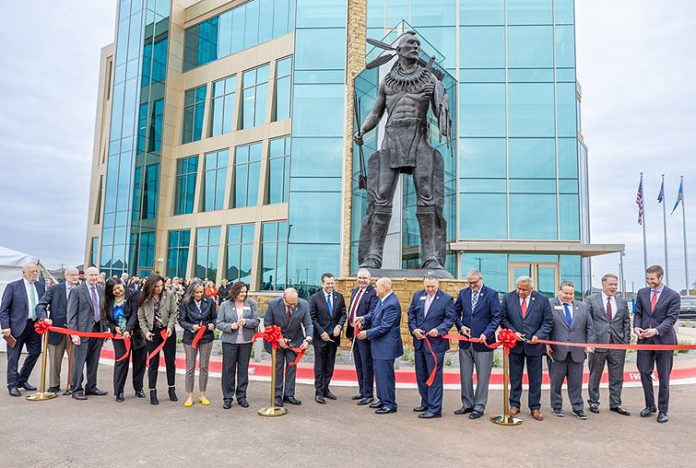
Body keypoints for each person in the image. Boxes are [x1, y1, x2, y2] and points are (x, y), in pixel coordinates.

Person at [500, 276, 553, 421]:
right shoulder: (508, 297)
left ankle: (535, 407)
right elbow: (503, 319)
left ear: (531, 289)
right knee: (515, 377)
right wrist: (512, 332)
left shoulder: (542, 300)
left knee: (535, 379)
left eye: (523, 290)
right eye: (518, 288)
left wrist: (538, 335)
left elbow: (548, 321)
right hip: (515, 345)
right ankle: (514, 404)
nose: (519, 292)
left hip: (534, 346)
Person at [453, 269, 502, 419]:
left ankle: (479, 406)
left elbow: (496, 317)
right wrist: (460, 326)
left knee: (483, 376)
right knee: (465, 375)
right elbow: (455, 313)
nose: (472, 285)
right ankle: (467, 404)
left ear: (481, 279)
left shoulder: (492, 294)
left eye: (474, 283)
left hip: (484, 343)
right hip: (466, 342)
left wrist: (486, 334)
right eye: (469, 283)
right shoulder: (463, 293)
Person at [634, 265, 680, 423]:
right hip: (644, 339)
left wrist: (656, 330)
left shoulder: (673, 295)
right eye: (647, 279)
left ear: (661, 277)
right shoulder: (642, 293)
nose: (649, 282)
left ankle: (663, 410)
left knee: (663, 376)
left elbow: (671, 319)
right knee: (644, 371)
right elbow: (638, 313)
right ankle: (650, 405)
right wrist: (636, 327)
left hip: (664, 340)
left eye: (652, 279)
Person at [407, 273, 456, 419]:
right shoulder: (417, 296)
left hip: (436, 345)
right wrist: (414, 329)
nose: (429, 289)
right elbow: (411, 315)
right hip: (420, 342)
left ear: (438, 283)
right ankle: (426, 402)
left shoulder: (446, 299)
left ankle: (435, 409)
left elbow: (450, 318)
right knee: (421, 374)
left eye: (432, 286)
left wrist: (439, 330)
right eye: (427, 286)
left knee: (434, 376)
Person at [547, 281, 595, 419]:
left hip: (577, 352)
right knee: (556, 382)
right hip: (557, 351)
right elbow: (545, 325)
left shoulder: (583, 307)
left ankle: (578, 407)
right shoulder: (549, 305)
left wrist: (589, 344)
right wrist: (546, 345)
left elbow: (590, 328)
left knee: (576, 382)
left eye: (571, 294)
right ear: (559, 291)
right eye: (566, 293)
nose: (568, 296)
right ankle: (556, 406)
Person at [585, 273, 631, 416]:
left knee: (617, 377)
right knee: (595, 375)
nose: (613, 287)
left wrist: (626, 341)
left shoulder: (622, 301)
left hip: (617, 345)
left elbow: (626, 322)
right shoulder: (591, 300)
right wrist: (589, 342)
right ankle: (593, 402)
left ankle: (615, 403)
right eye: (611, 284)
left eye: (615, 284)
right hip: (598, 344)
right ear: (603, 284)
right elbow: (588, 322)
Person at [356, 277, 403, 414]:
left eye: (377, 286)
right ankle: (382, 400)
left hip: (386, 347)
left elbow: (384, 327)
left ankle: (389, 404)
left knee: (385, 376)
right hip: (379, 346)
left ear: (386, 288)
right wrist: (364, 318)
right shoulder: (383, 300)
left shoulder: (392, 304)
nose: (375, 289)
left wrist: (366, 333)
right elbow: (374, 314)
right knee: (380, 375)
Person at [0, 263, 45, 397]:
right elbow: (4, 309)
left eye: (36, 271)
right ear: (24, 272)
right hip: (16, 328)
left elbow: (42, 306)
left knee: (35, 352)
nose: (35, 274)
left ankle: (22, 380)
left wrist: (44, 318)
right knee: (13, 357)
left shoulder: (40, 286)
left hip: (35, 326)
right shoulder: (13, 287)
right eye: (32, 271)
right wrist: (5, 327)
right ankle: (12, 385)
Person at [263, 288, 313, 406]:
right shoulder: (273, 304)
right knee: (278, 367)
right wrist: (279, 338)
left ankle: (289, 394)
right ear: (283, 299)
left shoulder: (304, 304)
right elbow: (267, 324)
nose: (292, 306)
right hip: (277, 343)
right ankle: (276, 396)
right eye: (289, 304)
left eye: (294, 303)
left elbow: (308, 324)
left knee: (292, 367)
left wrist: (308, 339)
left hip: (294, 341)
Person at [36, 267, 79, 393]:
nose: (75, 277)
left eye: (77, 275)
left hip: (75, 331)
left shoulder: (81, 290)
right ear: (65, 276)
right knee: (55, 359)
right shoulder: (54, 289)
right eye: (72, 275)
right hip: (56, 329)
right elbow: (41, 305)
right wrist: (43, 318)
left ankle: (73, 385)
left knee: (75, 359)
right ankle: (54, 385)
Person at [67, 266, 108, 400]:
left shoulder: (101, 290)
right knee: (79, 362)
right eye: (91, 275)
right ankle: (76, 389)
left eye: (96, 275)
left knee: (94, 361)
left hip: (97, 332)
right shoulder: (77, 291)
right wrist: (74, 334)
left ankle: (91, 387)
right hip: (82, 332)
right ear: (85, 276)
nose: (94, 278)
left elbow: (102, 312)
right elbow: (71, 315)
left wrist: (105, 330)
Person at [217, 281, 259, 409]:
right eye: (241, 292)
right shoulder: (225, 305)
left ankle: (241, 396)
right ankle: (228, 397)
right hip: (229, 342)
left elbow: (256, 321)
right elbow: (219, 323)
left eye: (245, 292)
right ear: (235, 292)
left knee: (243, 370)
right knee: (228, 370)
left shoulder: (251, 304)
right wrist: (230, 326)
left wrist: (246, 322)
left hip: (245, 342)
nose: (243, 294)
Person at [138, 274, 179, 405]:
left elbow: (174, 312)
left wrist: (171, 327)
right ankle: (152, 391)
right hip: (153, 333)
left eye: (161, 286)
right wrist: (146, 332)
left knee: (170, 361)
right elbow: (141, 318)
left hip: (167, 331)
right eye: (156, 286)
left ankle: (171, 389)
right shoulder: (144, 298)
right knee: (153, 363)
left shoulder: (170, 294)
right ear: (150, 286)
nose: (159, 289)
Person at [103, 278, 146, 402]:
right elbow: (107, 319)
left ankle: (138, 388)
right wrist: (114, 327)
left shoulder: (133, 294)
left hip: (136, 334)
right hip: (119, 337)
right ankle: (119, 391)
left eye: (119, 287)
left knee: (139, 362)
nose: (118, 291)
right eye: (114, 289)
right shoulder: (109, 301)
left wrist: (128, 329)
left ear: (122, 285)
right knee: (121, 363)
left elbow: (135, 314)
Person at [178, 280, 217, 407]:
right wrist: (192, 326)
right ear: (191, 292)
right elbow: (181, 320)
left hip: (206, 337)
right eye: (196, 292)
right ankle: (190, 395)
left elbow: (214, 317)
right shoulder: (185, 302)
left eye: (201, 292)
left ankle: (202, 394)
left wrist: (213, 325)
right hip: (190, 337)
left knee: (204, 366)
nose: (199, 294)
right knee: (190, 367)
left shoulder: (210, 301)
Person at [309, 273, 347, 404]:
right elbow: (312, 318)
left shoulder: (339, 297)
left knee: (330, 365)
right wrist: (321, 332)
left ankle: (326, 389)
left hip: (333, 338)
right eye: (328, 283)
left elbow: (343, 314)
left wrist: (339, 326)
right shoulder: (315, 298)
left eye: (332, 283)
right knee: (320, 366)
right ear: (322, 284)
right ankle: (318, 392)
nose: (330, 286)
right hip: (320, 338)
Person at [345, 268, 379, 405]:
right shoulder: (355, 291)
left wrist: (363, 319)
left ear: (370, 280)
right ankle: (362, 391)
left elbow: (373, 312)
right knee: (358, 363)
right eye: (359, 278)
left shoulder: (373, 293)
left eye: (364, 278)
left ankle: (368, 394)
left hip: (364, 334)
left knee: (366, 365)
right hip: (354, 333)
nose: (362, 280)